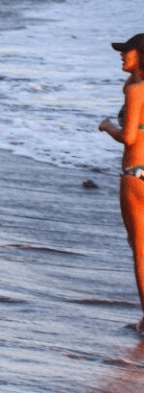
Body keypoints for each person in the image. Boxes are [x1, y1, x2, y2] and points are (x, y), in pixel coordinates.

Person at [99, 33, 144, 332]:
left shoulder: (137, 90)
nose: (122, 55)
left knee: (140, 249)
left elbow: (128, 137)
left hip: (135, 174)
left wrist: (108, 126)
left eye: (127, 51)